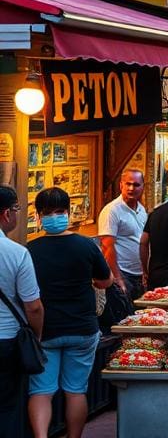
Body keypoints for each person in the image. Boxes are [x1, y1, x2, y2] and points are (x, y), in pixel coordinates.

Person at [27, 186, 112, 438]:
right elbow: (105, 281)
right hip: (82, 328)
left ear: (37, 216)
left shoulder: (30, 250)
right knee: (76, 390)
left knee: (41, 391)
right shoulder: (86, 246)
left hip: (46, 330)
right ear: (70, 212)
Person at [0, 185, 43, 438]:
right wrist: (36, 337)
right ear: (6, 214)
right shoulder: (17, 253)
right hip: (7, 340)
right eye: (16, 209)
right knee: (7, 408)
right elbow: (34, 306)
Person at [97, 169, 148, 299]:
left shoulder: (141, 209)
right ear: (121, 185)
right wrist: (117, 277)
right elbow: (107, 246)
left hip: (138, 274)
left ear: (143, 186)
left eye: (136, 185)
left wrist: (144, 270)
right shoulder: (112, 211)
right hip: (122, 272)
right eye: (128, 184)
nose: (131, 188)